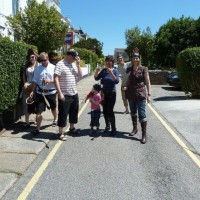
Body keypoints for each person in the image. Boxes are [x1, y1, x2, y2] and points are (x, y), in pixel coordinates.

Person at [54, 49, 83, 141]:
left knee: (74, 112)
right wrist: (60, 93)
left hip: (74, 93)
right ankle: (60, 133)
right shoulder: (60, 64)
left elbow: (80, 75)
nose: (75, 59)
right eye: (74, 58)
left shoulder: (73, 64)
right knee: (63, 114)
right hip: (64, 94)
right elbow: (55, 79)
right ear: (69, 56)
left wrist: (78, 65)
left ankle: (72, 128)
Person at [124, 48, 151, 144]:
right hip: (131, 93)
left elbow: (147, 82)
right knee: (133, 113)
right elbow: (127, 80)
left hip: (141, 93)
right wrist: (126, 86)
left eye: (137, 58)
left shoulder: (144, 69)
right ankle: (135, 129)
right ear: (132, 59)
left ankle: (144, 135)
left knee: (142, 114)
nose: (135, 59)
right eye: (134, 58)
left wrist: (149, 94)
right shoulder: (129, 69)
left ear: (139, 59)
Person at [30, 52, 57, 135]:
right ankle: (37, 128)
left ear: (47, 59)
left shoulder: (54, 67)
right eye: (41, 60)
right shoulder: (37, 69)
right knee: (38, 111)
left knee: (53, 108)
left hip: (51, 92)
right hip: (40, 93)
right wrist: (32, 91)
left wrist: (50, 81)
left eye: (44, 60)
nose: (43, 62)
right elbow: (34, 81)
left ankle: (55, 119)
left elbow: (57, 80)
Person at [94, 55, 119, 136]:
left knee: (110, 111)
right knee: (104, 111)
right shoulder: (104, 70)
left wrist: (110, 72)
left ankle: (114, 129)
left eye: (110, 61)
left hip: (112, 93)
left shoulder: (115, 70)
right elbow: (96, 78)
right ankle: (107, 126)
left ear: (112, 62)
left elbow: (117, 81)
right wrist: (97, 71)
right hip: (104, 94)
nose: (108, 62)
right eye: (107, 61)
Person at [22, 49, 38, 128]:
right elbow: (24, 76)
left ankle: (36, 120)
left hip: (35, 88)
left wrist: (33, 85)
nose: (32, 58)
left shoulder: (38, 66)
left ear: (35, 57)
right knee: (25, 104)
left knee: (35, 104)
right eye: (30, 57)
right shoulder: (26, 66)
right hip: (27, 87)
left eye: (33, 57)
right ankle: (27, 122)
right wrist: (25, 83)